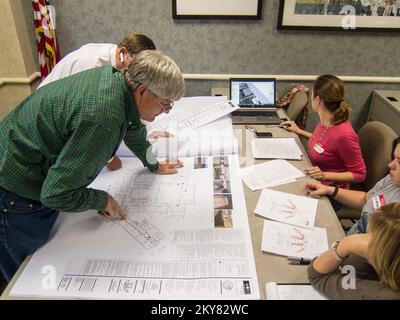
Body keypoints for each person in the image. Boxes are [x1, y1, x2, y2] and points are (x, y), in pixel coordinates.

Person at [0, 50, 185, 282]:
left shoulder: (118, 82)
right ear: (142, 91)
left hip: (18, 153)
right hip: (13, 184)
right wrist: (102, 199)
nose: (163, 113)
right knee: (24, 276)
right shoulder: (104, 118)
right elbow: (56, 194)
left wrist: (153, 163)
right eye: (165, 106)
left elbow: (134, 129)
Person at [37, 32, 160, 171]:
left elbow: (131, 112)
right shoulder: (92, 66)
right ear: (123, 53)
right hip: (47, 116)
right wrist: (110, 158)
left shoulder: (122, 60)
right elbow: (90, 123)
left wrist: (150, 131)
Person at [281, 74, 366, 209]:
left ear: (318, 100)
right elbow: (325, 143)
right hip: (314, 179)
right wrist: (299, 131)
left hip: (331, 192)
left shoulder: (345, 135)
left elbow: (360, 174)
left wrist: (324, 175)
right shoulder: (326, 121)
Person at [305, 137, 400, 234]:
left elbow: (377, 247)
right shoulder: (392, 180)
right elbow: (366, 199)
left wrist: (342, 246)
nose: (390, 165)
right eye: (394, 158)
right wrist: (330, 190)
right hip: (351, 237)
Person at [308, 202, 400, 300]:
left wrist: (346, 244)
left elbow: (318, 276)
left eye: (371, 236)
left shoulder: (386, 295)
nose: (366, 239)